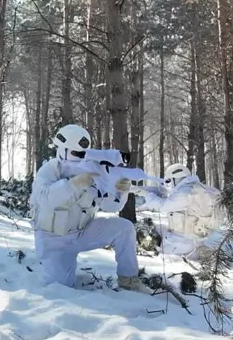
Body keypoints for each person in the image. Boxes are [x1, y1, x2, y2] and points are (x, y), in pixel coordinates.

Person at [29, 124, 149, 292]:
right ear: (62, 149)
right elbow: (46, 199)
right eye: (76, 153)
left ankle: (128, 280)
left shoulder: (93, 170)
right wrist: (74, 184)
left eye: (83, 154)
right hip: (54, 241)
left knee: (124, 228)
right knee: (59, 288)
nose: (80, 158)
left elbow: (110, 206)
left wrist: (121, 191)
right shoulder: (48, 171)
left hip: (83, 233)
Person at [138, 163, 224, 259]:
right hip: (190, 240)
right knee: (157, 229)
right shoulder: (191, 188)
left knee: (148, 242)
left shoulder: (184, 193)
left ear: (175, 178)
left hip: (182, 245)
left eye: (168, 181)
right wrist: (137, 189)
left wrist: (146, 194)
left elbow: (161, 206)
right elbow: (163, 191)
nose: (167, 184)